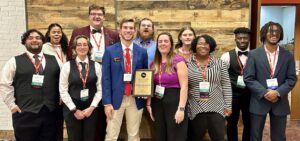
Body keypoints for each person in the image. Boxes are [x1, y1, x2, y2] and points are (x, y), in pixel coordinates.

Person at [68, 4, 119, 141]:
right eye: (93, 14)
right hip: (85, 81)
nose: (96, 16)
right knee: (86, 118)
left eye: (99, 14)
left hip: (107, 81)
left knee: (103, 118)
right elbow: (70, 57)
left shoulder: (114, 35)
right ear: (89, 16)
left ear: (104, 17)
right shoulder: (78, 32)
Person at [0, 29, 61, 141]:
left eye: (38, 38)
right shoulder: (14, 61)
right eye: (30, 38)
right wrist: (11, 105)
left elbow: (62, 82)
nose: (34, 40)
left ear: (43, 41)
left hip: (51, 113)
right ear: (24, 42)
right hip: (25, 115)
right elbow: (4, 84)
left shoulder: (55, 59)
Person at [244, 21, 297, 141]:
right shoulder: (254, 54)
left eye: (277, 31)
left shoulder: (288, 55)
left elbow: (292, 78)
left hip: (280, 102)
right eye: (270, 31)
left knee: (279, 137)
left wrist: (277, 92)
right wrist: (264, 93)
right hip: (259, 101)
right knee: (255, 136)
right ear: (264, 33)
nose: (274, 34)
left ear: (281, 34)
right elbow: (248, 78)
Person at [102, 18, 148, 141]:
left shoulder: (142, 52)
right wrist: (107, 103)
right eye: (125, 28)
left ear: (135, 31)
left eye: (131, 28)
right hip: (115, 99)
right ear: (120, 31)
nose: (128, 30)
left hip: (135, 98)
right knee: (111, 135)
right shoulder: (110, 51)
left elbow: (144, 75)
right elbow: (105, 78)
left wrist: (145, 92)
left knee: (134, 135)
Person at [187, 34, 232, 141]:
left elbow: (226, 84)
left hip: (217, 107)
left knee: (218, 138)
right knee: (194, 137)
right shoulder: (187, 64)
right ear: (195, 46)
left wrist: (228, 105)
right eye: (200, 43)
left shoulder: (220, 63)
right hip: (195, 107)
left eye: (206, 44)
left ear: (210, 46)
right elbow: (185, 86)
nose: (203, 46)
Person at [146, 32, 188, 141]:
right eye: (160, 41)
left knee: (175, 135)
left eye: (166, 41)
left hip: (174, 100)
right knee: (160, 134)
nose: (163, 44)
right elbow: (150, 84)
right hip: (157, 101)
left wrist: (181, 109)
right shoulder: (154, 63)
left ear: (171, 44)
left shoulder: (178, 60)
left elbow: (184, 86)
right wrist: (149, 104)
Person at [59, 35, 102, 141]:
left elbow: (100, 89)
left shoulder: (97, 66)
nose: (82, 47)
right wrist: (74, 110)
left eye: (85, 45)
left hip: (91, 107)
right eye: (79, 45)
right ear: (74, 48)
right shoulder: (67, 66)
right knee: (74, 137)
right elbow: (63, 90)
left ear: (89, 48)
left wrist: (92, 107)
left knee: (90, 137)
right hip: (72, 107)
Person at [220, 27, 251, 141]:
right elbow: (221, 77)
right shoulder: (226, 56)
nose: (242, 40)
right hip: (232, 95)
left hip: (250, 94)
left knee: (249, 122)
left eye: (245, 38)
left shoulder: (255, 55)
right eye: (239, 38)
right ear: (235, 39)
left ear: (249, 39)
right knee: (232, 123)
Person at [42, 23, 68, 141]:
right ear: (49, 34)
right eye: (54, 32)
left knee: (60, 121)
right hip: (52, 88)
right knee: (51, 121)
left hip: (66, 87)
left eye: (59, 32)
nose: (57, 34)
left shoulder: (65, 48)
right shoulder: (44, 48)